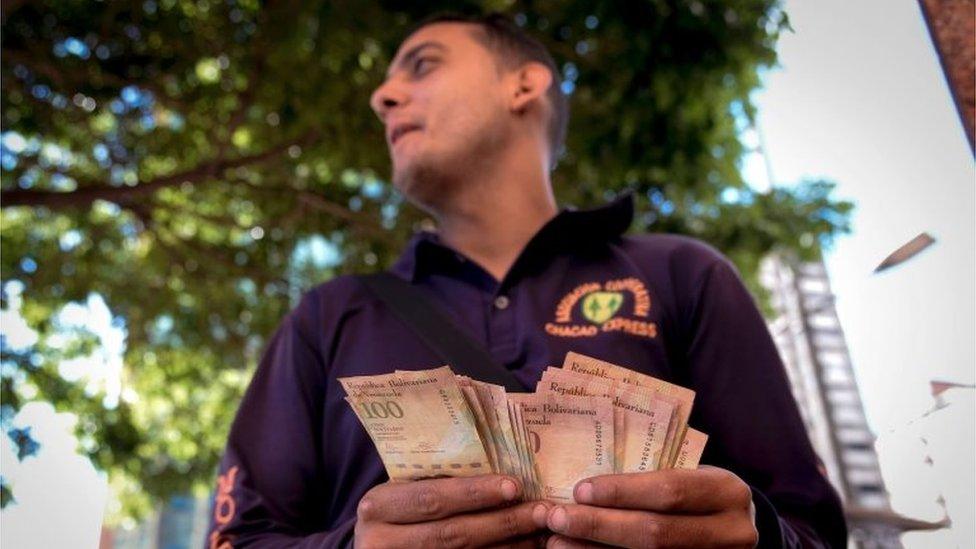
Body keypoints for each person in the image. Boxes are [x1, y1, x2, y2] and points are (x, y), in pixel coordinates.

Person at [206, 12, 846, 548]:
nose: (383, 96)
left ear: (524, 84)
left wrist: (757, 529)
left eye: (422, 64)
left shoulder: (684, 274)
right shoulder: (329, 313)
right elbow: (238, 538)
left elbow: (813, 531)